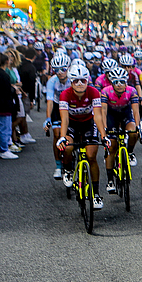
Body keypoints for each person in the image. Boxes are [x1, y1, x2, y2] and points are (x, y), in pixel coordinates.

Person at [57, 68, 108, 211]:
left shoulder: (94, 92)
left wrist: (103, 135)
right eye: (75, 81)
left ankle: (96, 194)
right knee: (67, 147)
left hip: (88, 124)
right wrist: (62, 137)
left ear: (87, 81)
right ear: (71, 82)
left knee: (91, 156)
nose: (80, 83)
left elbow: (97, 116)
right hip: (72, 124)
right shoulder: (65, 94)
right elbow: (65, 118)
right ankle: (67, 170)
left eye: (83, 80)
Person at [0, 50, 20, 159]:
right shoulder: (4, 75)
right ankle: (4, 149)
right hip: (4, 106)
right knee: (5, 129)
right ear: (6, 62)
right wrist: (13, 89)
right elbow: (7, 91)